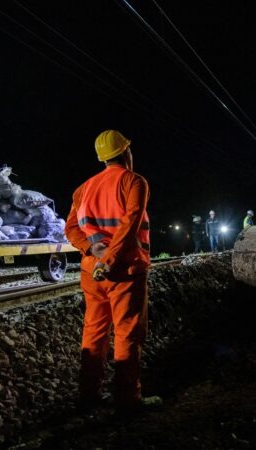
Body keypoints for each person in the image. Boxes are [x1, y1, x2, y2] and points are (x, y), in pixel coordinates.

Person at [64, 129, 154, 414]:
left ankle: (88, 396)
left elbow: (71, 229)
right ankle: (127, 400)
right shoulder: (133, 181)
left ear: (103, 158)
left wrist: (92, 250)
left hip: (92, 272)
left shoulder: (83, 188)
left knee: (94, 332)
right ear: (126, 152)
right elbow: (130, 223)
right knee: (127, 332)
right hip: (124, 270)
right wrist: (111, 260)